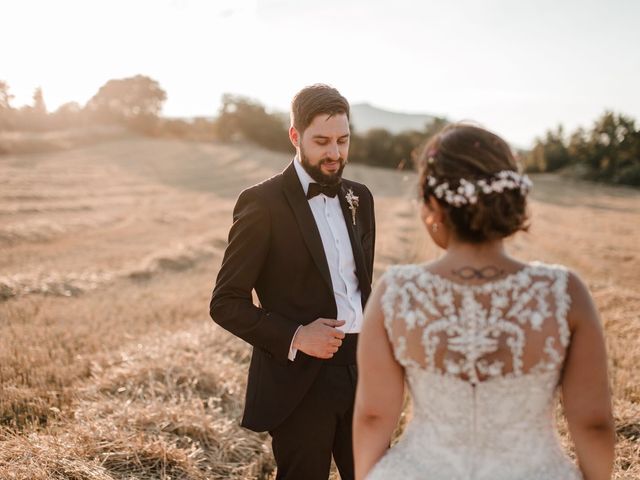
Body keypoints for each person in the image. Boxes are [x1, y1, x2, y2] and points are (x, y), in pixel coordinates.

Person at [353, 123, 615, 479]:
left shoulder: (396, 292)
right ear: (511, 197)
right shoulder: (564, 293)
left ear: (433, 204)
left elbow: (373, 417)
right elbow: (594, 424)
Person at [210, 84, 376, 480]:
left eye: (342, 140)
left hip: (362, 373)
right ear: (295, 136)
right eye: (321, 141)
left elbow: (358, 288)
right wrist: (297, 335)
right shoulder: (262, 203)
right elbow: (225, 302)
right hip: (301, 382)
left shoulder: (360, 198)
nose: (335, 154)